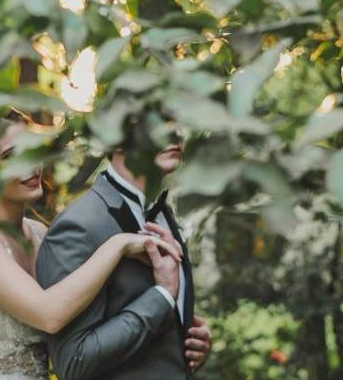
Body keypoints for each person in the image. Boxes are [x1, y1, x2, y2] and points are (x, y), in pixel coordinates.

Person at [0, 111, 183, 380]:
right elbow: (50, 315)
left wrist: (178, 332)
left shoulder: (40, 233)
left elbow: (81, 336)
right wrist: (117, 245)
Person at [35, 141, 212, 379]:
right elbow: (72, 362)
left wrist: (186, 350)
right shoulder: (79, 225)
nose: (175, 133)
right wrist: (162, 296)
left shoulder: (161, 211)